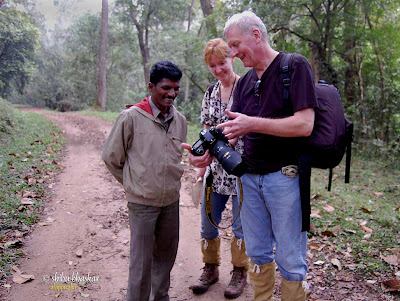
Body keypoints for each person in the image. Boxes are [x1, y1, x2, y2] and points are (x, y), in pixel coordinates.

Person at [184, 11, 317, 301]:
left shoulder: (293, 66)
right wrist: (205, 153)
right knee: (257, 252)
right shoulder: (245, 83)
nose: (232, 53)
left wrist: (252, 123)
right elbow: (230, 131)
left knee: (290, 256)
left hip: (284, 177)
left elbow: (305, 124)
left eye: (234, 45)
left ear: (256, 35)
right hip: (248, 181)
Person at [102, 61, 187, 301]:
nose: (172, 94)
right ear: (151, 86)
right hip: (142, 205)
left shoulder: (180, 120)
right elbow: (111, 158)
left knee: (166, 258)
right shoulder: (130, 117)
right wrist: (133, 185)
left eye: (176, 88)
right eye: (166, 88)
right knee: (141, 264)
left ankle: (159, 297)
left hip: (171, 202)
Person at [187, 38, 249, 299]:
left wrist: (232, 141)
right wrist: (201, 166)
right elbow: (205, 126)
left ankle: (239, 272)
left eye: (222, 63)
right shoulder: (211, 92)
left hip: (243, 167)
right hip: (216, 170)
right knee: (208, 222)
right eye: (212, 65)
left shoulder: (246, 87)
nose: (218, 69)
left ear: (231, 59)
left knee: (240, 226)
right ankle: (210, 269)